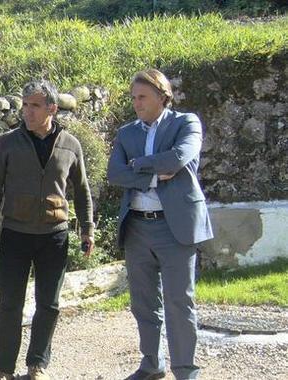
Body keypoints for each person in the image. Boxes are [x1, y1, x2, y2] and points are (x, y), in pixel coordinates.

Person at [0, 80, 95, 380]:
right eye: (25, 105)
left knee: (49, 304)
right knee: (9, 304)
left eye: (34, 106)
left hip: (54, 235)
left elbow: (82, 191)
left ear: (52, 109)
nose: (27, 112)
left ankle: (37, 365)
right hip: (15, 234)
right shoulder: (7, 143)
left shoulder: (71, 144)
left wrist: (87, 229)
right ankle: (3, 368)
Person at [107, 69, 213, 380]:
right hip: (137, 227)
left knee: (179, 302)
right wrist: (154, 174)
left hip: (174, 226)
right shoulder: (127, 133)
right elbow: (115, 174)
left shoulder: (186, 123)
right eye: (133, 97)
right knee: (143, 302)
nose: (136, 103)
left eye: (142, 97)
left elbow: (178, 159)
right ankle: (152, 364)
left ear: (161, 96)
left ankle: (186, 371)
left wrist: (137, 166)